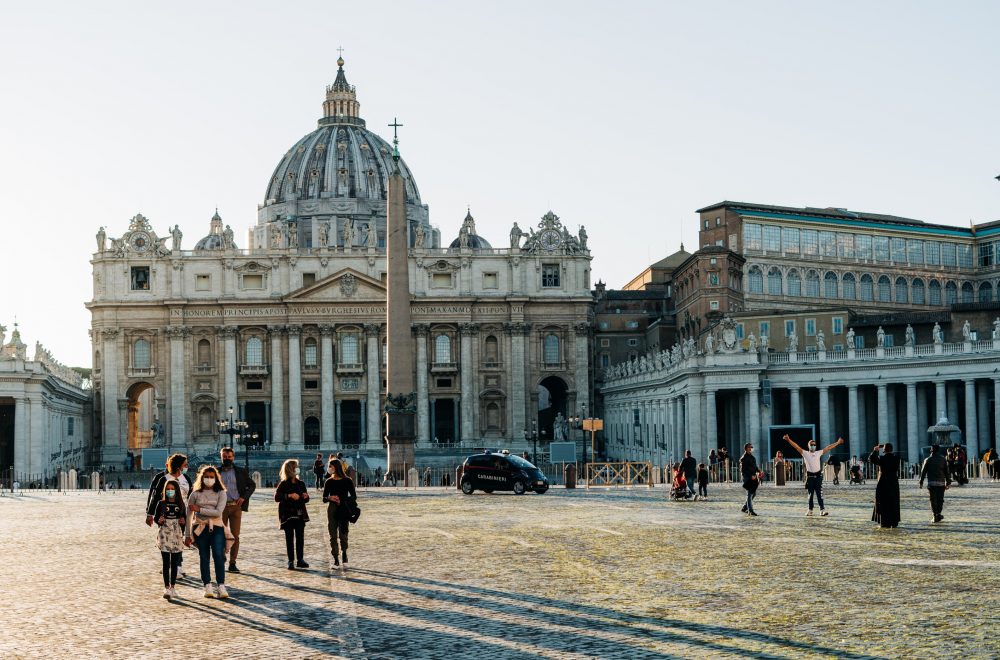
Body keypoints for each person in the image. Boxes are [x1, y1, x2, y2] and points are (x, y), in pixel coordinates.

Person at [185, 465, 230, 599]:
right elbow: (188, 515)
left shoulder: (221, 493)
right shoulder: (195, 493)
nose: (209, 479)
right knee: (204, 557)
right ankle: (207, 585)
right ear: (201, 478)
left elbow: (218, 512)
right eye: (206, 477)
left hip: (216, 527)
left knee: (218, 555)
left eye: (211, 477)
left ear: (216, 479)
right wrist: (187, 535)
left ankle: (221, 585)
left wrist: (199, 509)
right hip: (200, 528)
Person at [145, 453, 191, 577]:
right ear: (178, 465)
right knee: (166, 539)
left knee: (179, 538)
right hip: (166, 515)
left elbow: (192, 496)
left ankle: (178, 565)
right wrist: (150, 514)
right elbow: (155, 498)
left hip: (182, 514)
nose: (187, 466)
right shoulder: (164, 479)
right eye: (185, 464)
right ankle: (169, 564)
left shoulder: (186, 478)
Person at [782, 434, 845, 516]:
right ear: (808, 446)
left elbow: (828, 447)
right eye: (811, 445)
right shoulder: (805, 453)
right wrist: (788, 440)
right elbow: (796, 447)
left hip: (818, 476)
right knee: (810, 494)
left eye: (814, 445)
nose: (813, 446)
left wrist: (837, 442)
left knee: (819, 494)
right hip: (810, 477)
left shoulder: (819, 453)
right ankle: (810, 509)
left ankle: (822, 510)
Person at [217, 447, 256, 574]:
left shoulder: (240, 471)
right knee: (220, 535)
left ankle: (232, 563)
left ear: (233, 457)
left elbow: (252, 485)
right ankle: (221, 557)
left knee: (235, 535)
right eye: (225, 457)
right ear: (221, 457)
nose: (227, 459)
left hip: (235, 507)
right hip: (220, 508)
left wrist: (243, 497)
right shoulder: (216, 472)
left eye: (229, 457)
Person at [154, 478, 186, 600]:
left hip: (176, 534)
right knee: (166, 562)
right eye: (168, 489)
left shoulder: (181, 504)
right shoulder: (161, 504)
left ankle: (173, 587)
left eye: (172, 489)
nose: (170, 491)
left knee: (175, 563)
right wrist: (159, 521)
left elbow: (184, 520)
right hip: (164, 535)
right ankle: (167, 587)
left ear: (176, 491)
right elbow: (157, 519)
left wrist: (182, 522)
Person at [275, 459, 310, 570]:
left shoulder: (301, 483)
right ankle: (291, 560)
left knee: (300, 538)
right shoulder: (283, 484)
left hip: (299, 514)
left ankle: (300, 559)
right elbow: (277, 497)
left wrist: (305, 496)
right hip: (287, 515)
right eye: (296, 467)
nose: (298, 469)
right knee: (289, 538)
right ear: (291, 470)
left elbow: (306, 499)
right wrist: (289, 495)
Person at [322, 458, 357, 567]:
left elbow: (354, 496)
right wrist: (330, 498)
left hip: (343, 507)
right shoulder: (329, 481)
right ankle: (335, 557)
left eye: (330, 466)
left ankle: (344, 552)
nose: (329, 469)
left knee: (343, 533)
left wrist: (343, 499)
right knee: (332, 533)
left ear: (336, 467)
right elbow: (324, 498)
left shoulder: (347, 480)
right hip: (332, 508)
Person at [869, 443, 901, 529]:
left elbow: (871, 459)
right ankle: (894, 521)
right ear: (892, 449)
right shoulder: (896, 458)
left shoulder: (882, 458)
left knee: (883, 502)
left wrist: (875, 450)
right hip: (893, 482)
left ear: (884, 450)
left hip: (883, 482)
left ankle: (884, 521)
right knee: (894, 502)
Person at [919, 444, 952, 523]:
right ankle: (939, 514)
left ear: (931, 450)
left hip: (932, 483)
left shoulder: (927, 459)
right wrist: (948, 481)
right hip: (941, 483)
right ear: (938, 450)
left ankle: (935, 515)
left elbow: (923, 472)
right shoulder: (943, 459)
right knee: (940, 500)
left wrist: (921, 482)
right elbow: (946, 472)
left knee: (933, 500)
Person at [739, 444, 761, 516]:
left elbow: (754, 466)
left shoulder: (752, 457)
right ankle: (750, 510)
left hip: (754, 476)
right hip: (747, 477)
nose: (751, 448)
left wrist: (759, 471)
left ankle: (745, 507)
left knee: (753, 493)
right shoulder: (744, 458)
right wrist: (750, 476)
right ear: (746, 449)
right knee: (749, 493)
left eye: (752, 447)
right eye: (750, 447)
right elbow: (743, 470)